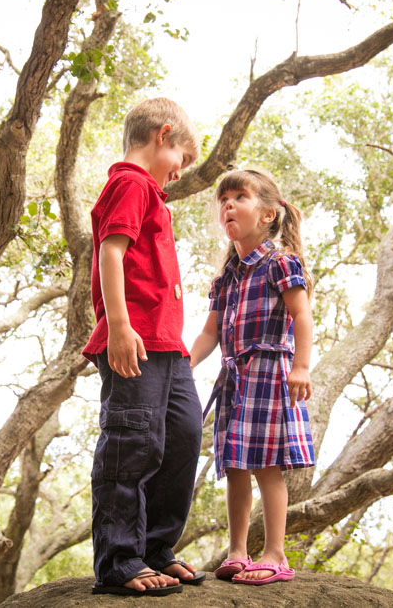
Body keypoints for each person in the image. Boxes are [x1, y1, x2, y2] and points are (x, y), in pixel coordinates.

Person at [83, 97, 205, 596]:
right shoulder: (130, 183)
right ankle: (118, 559)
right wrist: (118, 325)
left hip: (168, 349)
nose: (179, 173)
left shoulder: (150, 193)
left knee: (182, 436)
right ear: (163, 135)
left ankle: (156, 548)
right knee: (132, 444)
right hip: (134, 340)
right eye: (182, 159)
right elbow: (111, 253)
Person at [189, 169, 316, 586]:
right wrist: (184, 363)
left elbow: (301, 315)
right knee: (235, 465)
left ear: (267, 215)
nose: (227, 205)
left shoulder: (281, 262)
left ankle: (275, 554)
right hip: (235, 377)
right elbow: (210, 333)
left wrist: (300, 366)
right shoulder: (225, 278)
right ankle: (238, 551)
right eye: (222, 199)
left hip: (269, 372)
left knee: (266, 467)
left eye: (239, 197)